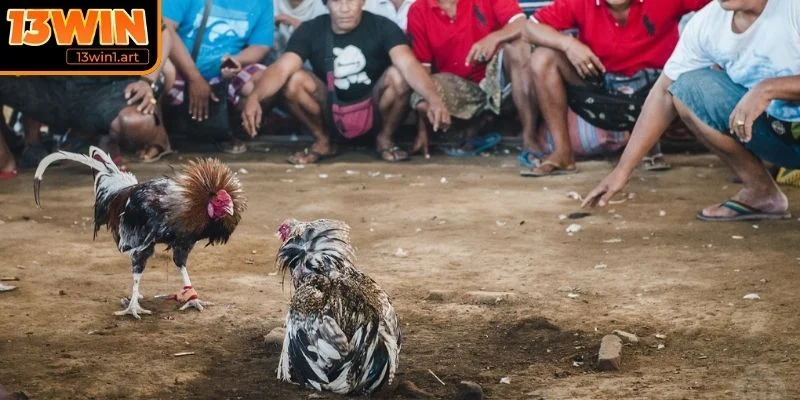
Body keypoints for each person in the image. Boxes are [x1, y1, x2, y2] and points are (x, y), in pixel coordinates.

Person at [583, 0, 800, 222]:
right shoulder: (707, 22)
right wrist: (623, 169)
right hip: (773, 136)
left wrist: (768, 89)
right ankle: (761, 191)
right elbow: (663, 92)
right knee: (686, 89)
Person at [241, 0, 451, 164]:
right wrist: (255, 97)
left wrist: (433, 98)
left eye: (351, 0)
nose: (344, 8)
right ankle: (322, 141)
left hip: (375, 108)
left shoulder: (383, 26)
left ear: (363, 2)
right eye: (337, 1)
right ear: (326, 4)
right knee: (293, 80)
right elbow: (281, 68)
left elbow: (408, 64)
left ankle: (385, 139)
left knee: (398, 75)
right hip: (331, 110)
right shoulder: (310, 30)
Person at [519, 0, 710, 177]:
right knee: (543, 58)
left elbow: (718, 7)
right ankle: (562, 153)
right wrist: (568, 44)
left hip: (658, 87)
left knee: (684, 76)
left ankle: (650, 146)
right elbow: (529, 28)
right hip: (600, 85)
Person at [0, 24, 175, 169]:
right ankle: (16, 151)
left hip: (102, 90)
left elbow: (162, 34)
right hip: (50, 90)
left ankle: (100, 136)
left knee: (136, 122)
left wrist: (147, 80)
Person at [406, 0, 534, 158]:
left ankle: (529, 135)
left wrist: (493, 38)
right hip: (461, 88)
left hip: (498, 79)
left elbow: (522, 24)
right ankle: (476, 124)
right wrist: (422, 130)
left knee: (519, 47)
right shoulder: (419, 10)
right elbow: (423, 70)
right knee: (421, 100)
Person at [163, 0, 274, 154]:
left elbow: (261, 45)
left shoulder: (263, 2)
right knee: (160, 72)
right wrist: (194, 77)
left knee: (264, 82)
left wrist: (237, 60)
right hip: (181, 67)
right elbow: (164, 28)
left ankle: (231, 132)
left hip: (225, 75)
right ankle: (159, 138)